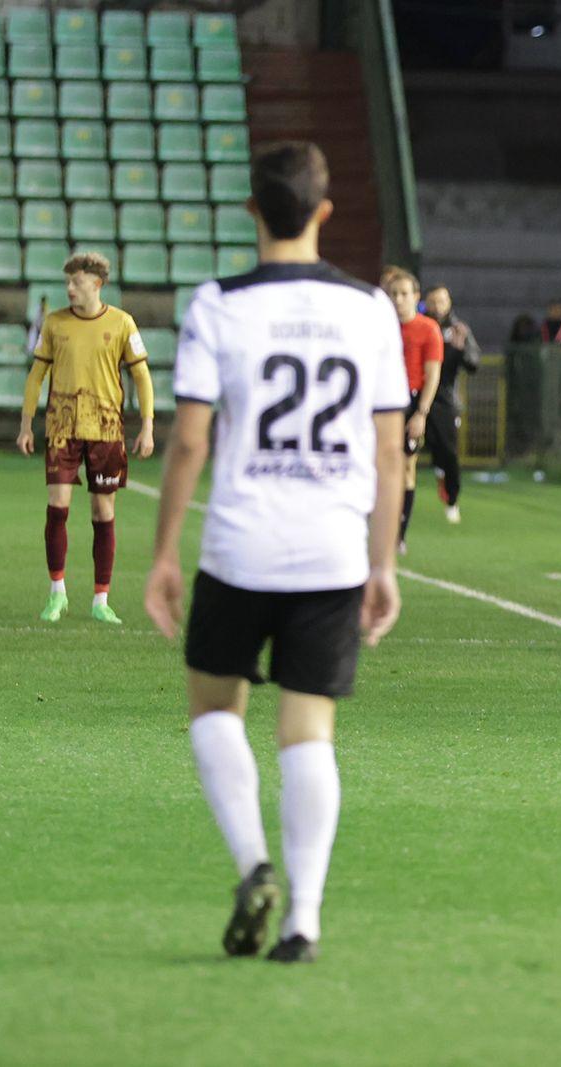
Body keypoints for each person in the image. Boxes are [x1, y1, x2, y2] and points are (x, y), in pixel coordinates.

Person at [142, 140, 409, 965]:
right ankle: (305, 920)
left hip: (239, 546)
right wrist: (383, 564)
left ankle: (253, 860)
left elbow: (189, 441)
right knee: (309, 732)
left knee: (216, 710)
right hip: (331, 552)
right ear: (324, 213)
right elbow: (392, 450)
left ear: (253, 209)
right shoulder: (370, 308)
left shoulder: (218, 304)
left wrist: (162, 554)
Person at [16, 253, 153, 623]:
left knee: (102, 511)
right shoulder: (54, 323)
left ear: (97, 283)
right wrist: (27, 425)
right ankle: (57, 593)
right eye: (67, 282)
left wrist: (148, 426)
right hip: (62, 430)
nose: (69, 289)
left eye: (76, 282)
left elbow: (142, 377)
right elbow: (35, 377)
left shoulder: (122, 323)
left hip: (106, 431)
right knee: (57, 505)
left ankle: (100, 600)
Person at [383, 269, 443, 552]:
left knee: (407, 467)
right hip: (383, 402)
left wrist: (421, 412)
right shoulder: (380, 327)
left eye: (404, 294)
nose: (398, 300)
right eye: (394, 294)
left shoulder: (428, 329)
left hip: (411, 401)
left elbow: (432, 374)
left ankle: (399, 534)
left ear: (416, 297)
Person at [422, 285, 480, 524]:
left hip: (444, 399)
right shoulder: (419, 327)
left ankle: (452, 499)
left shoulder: (458, 330)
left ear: (449, 303)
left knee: (449, 452)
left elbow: (474, 363)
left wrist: (460, 352)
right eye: (433, 301)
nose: (437, 306)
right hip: (416, 395)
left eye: (442, 301)